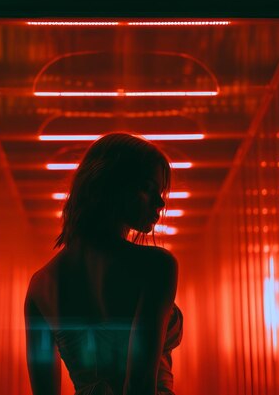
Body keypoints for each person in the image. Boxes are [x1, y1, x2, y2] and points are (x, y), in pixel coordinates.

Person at [24, 132, 183, 395]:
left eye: (161, 191)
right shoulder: (157, 266)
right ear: (111, 185)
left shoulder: (40, 285)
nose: (160, 202)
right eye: (147, 188)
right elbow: (139, 387)